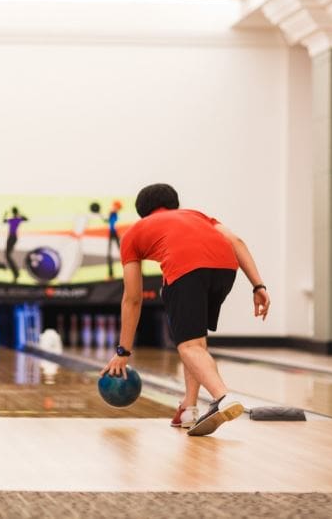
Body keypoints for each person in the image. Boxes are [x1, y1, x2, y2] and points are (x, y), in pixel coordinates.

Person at [101, 183, 270, 437]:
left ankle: (222, 397)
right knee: (195, 342)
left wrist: (123, 352)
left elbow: (132, 298)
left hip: (186, 271)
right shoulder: (198, 216)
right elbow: (236, 241)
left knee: (189, 346)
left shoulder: (134, 233)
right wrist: (258, 285)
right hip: (226, 269)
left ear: (142, 212)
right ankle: (188, 409)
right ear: (175, 204)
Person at [3, 207, 28, 282]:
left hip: (12, 237)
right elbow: (25, 218)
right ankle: (16, 272)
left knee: (7, 255)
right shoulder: (16, 219)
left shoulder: (15, 219)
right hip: (12, 237)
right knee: (7, 255)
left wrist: (5, 214)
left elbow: (26, 219)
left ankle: (16, 273)